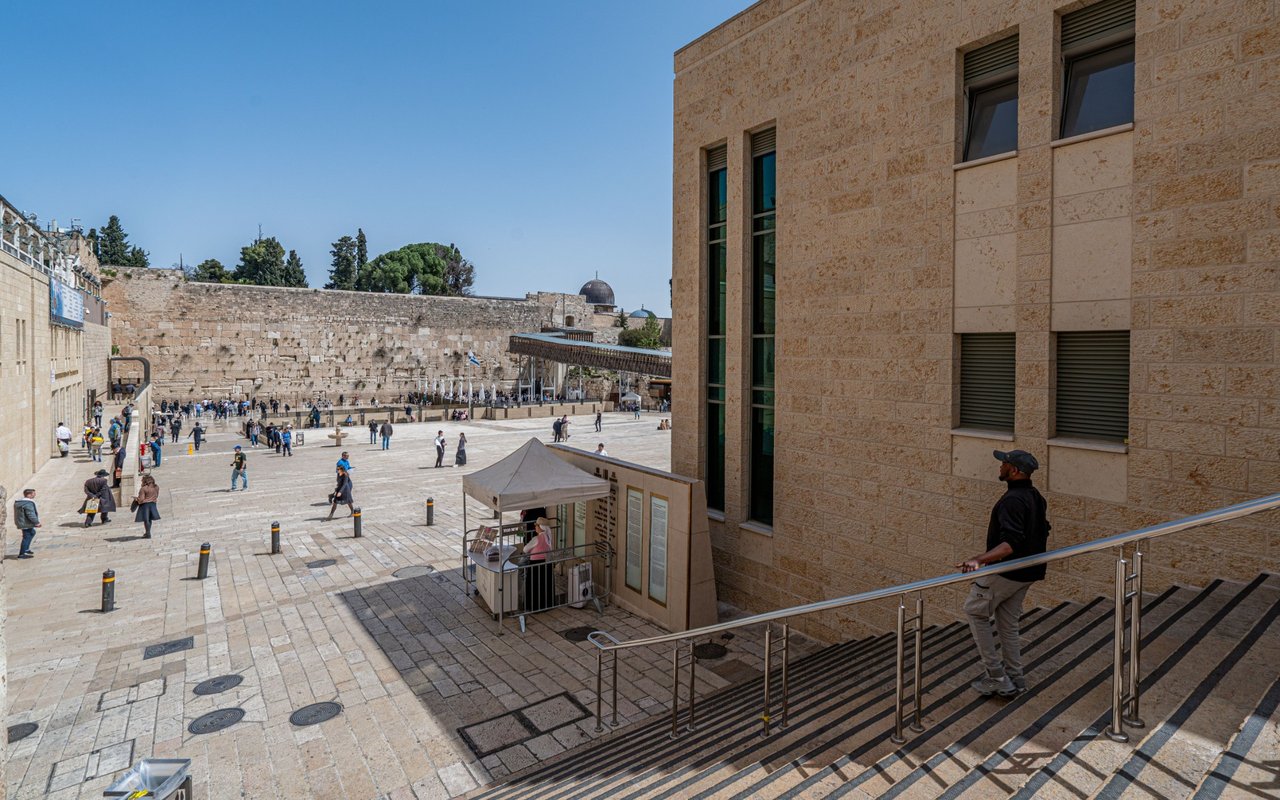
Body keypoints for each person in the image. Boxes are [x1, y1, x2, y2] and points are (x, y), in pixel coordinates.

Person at [957, 450, 1051, 698]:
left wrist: (978, 560)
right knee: (1007, 625)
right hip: (1029, 572)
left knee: (975, 611)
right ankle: (1016, 678)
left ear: (1015, 471)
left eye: (1005, 463)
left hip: (1007, 572)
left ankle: (997, 676)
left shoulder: (1012, 501)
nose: (1001, 466)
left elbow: (1010, 544)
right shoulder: (1035, 496)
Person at [521, 517, 555, 612]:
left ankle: (534, 606)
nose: (535, 527)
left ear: (541, 527)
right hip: (546, 564)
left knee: (534, 586)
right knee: (544, 585)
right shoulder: (548, 537)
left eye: (536, 525)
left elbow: (525, 549)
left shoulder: (536, 539)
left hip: (535, 565)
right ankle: (545, 605)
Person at [13, 488, 40, 559]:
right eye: (33, 493)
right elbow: (30, 514)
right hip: (25, 523)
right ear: (29, 494)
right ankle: (22, 554)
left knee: (32, 532)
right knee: (26, 536)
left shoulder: (20, 502)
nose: (35, 495)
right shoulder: (27, 504)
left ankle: (26, 549)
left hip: (22, 522)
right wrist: (36, 522)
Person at [133, 474, 161, 539]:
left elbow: (141, 500)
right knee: (149, 519)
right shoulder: (156, 487)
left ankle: (148, 533)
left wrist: (136, 499)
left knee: (146, 519)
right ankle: (148, 532)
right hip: (153, 504)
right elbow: (156, 495)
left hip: (145, 505)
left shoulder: (143, 489)